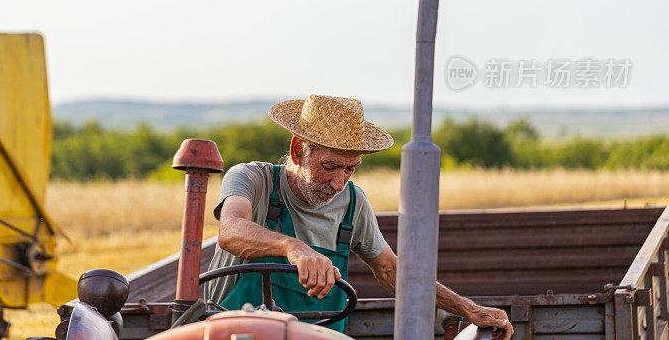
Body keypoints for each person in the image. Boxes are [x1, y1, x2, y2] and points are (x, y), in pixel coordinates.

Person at [204, 95, 513, 339]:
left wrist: (468, 309)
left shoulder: (353, 203)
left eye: (349, 168)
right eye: (329, 166)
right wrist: (293, 248)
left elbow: (391, 271)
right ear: (298, 151)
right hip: (235, 333)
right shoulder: (253, 180)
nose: (339, 183)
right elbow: (231, 231)